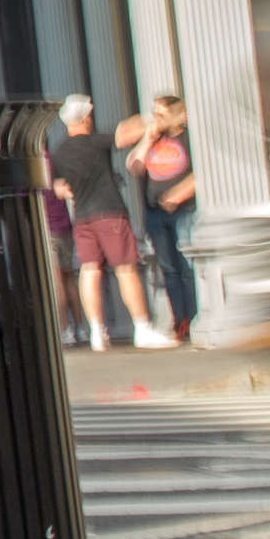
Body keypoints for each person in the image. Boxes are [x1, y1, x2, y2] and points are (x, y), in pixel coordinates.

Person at [51, 95, 156, 352]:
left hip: (82, 217)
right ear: (86, 117)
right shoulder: (94, 142)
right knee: (125, 269)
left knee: (89, 270)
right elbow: (126, 134)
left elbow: (59, 189)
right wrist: (154, 119)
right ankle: (142, 328)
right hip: (109, 212)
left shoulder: (60, 151)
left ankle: (97, 331)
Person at [122, 95, 200, 344]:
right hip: (155, 212)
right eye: (155, 114)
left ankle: (194, 317)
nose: (157, 120)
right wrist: (148, 137)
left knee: (187, 267)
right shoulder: (154, 140)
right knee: (169, 269)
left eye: (162, 115)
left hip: (182, 210)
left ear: (179, 115)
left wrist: (180, 193)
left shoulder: (188, 138)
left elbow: (202, 172)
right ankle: (180, 321)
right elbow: (134, 167)